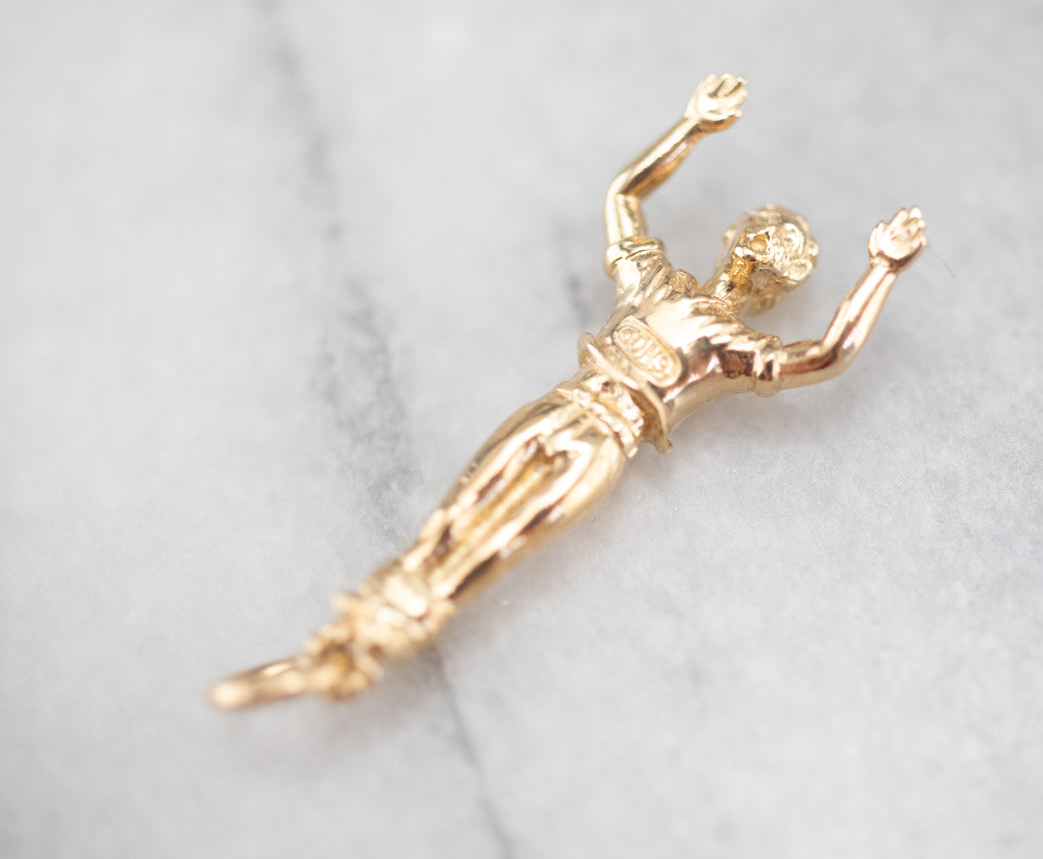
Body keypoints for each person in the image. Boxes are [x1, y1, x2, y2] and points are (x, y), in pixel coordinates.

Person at [211, 74, 927, 708]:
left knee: (500, 543)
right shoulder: (658, 284)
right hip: (564, 404)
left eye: (767, 259)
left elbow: (826, 355)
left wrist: (882, 271)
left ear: (775, 289)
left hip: (608, 440)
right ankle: (351, 631)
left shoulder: (733, 349)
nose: (751, 257)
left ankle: (375, 647)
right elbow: (624, 195)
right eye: (753, 240)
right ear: (731, 239)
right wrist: (693, 126)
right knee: (454, 517)